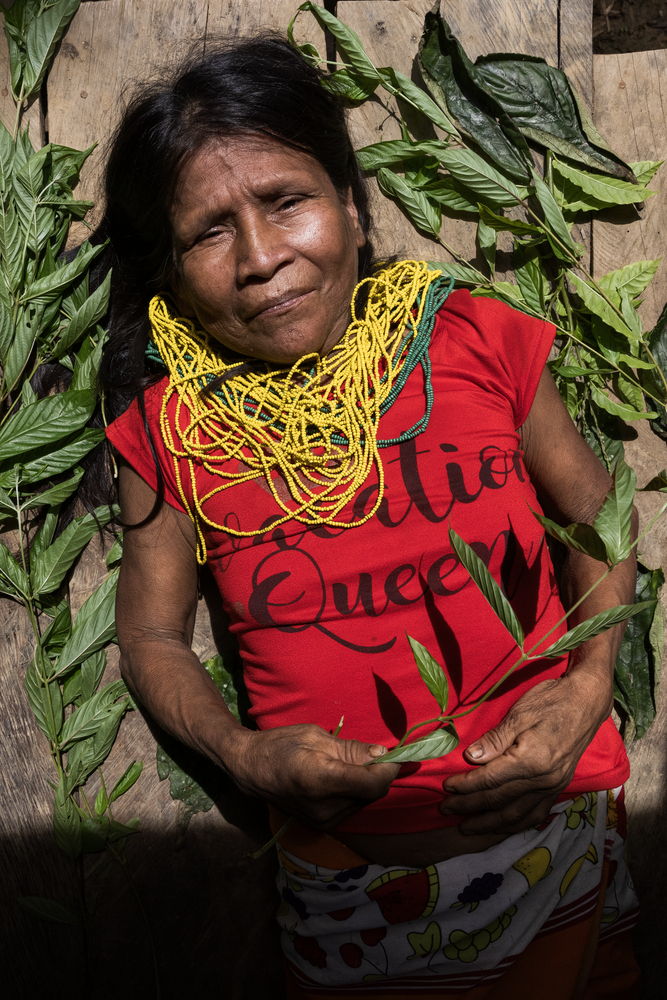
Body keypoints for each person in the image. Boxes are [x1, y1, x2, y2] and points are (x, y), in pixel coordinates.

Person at [101, 35, 640, 998]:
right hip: (351, 904)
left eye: (285, 202)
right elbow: (149, 632)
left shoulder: (470, 338)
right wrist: (247, 754)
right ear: (172, 272)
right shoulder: (171, 429)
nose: (262, 259)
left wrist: (586, 685)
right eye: (209, 232)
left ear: (351, 205)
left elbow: (597, 514)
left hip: (559, 849)